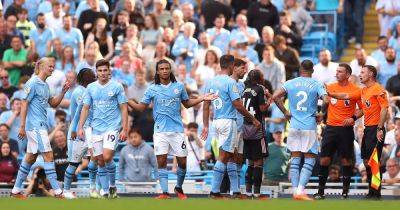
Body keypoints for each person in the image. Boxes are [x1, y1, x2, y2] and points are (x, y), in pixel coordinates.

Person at [128, 59, 217, 199]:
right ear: (157, 71)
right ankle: (164, 192)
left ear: (170, 70)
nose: (164, 71)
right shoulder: (152, 88)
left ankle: (179, 188)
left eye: (166, 68)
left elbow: (187, 104)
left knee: (182, 162)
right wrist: (126, 99)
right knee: (161, 161)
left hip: (177, 130)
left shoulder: (179, 87)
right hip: (160, 132)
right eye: (161, 69)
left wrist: (202, 98)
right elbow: (140, 107)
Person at [10, 57, 71, 199]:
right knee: (48, 155)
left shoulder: (45, 85)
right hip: (35, 126)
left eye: (53, 66)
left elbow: (54, 103)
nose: (52, 69)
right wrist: (22, 126)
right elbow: (24, 103)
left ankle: (15, 191)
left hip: (40, 125)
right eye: (50, 66)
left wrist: (62, 92)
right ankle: (57, 192)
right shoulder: (32, 82)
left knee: (30, 158)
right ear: (42, 66)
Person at [201, 55, 261, 199]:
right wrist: (253, 119)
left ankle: (235, 191)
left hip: (217, 121)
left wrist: (205, 126)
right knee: (224, 157)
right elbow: (238, 105)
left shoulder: (211, 82)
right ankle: (214, 191)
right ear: (231, 65)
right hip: (229, 121)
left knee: (232, 157)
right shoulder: (230, 82)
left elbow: (205, 105)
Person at [328, 65, 389, 200]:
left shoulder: (378, 89)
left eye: (362, 72)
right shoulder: (363, 91)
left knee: (374, 161)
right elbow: (346, 96)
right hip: (367, 129)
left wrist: (380, 128)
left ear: (371, 74)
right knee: (367, 161)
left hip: (375, 129)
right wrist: (353, 118)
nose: (360, 75)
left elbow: (384, 108)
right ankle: (371, 191)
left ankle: (376, 192)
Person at [272, 60, 328, 200]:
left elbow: (275, 97)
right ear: (312, 70)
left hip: (294, 126)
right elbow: (326, 100)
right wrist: (321, 114)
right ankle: (300, 191)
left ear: (300, 69)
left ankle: (295, 191)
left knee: (295, 159)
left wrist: (285, 111)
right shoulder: (316, 84)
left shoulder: (290, 82)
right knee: (309, 160)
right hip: (309, 126)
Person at [78, 59, 128, 199]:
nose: (103, 73)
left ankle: (112, 185)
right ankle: (107, 191)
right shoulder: (91, 88)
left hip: (112, 128)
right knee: (100, 160)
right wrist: (80, 127)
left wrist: (125, 129)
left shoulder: (117, 86)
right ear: (96, 72)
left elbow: (124, 108)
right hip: (96, 129)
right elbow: (86, 108)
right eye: (100, 70)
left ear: (109, 71)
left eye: (105, 70)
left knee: (106, 157)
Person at [313, 63, 361, 200]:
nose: (337, 73)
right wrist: (322, 113)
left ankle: (345, 192)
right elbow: (326, 102)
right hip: (331, 127)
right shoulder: (330, 86)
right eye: (337, 71)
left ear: (347, 75)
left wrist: (353, 118)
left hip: (346, 129)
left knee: (346, 160)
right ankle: (320, 192)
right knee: (324, 160)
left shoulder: (355, 90)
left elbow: (362, 109)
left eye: (340, 71)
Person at [62, 68, 97, 199]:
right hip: (78, 131)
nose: (93, 77)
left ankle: (93, 189)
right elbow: (78, 112)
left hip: (91, 130)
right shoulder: (79, 91)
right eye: (90, 76)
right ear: (83, 78)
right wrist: (74, 129)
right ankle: (66, 190)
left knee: (94, 159)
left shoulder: (93, 90)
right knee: (73, 163)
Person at [242, 69, 270, 199]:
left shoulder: (245, 89)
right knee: (259, 162)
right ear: (260, 77)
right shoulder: (259, 89)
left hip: (246, 128)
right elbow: (262, 108)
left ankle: (248, 192)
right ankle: (257, 193)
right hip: (257, 128)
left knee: (250, 163)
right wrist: (270, 100)